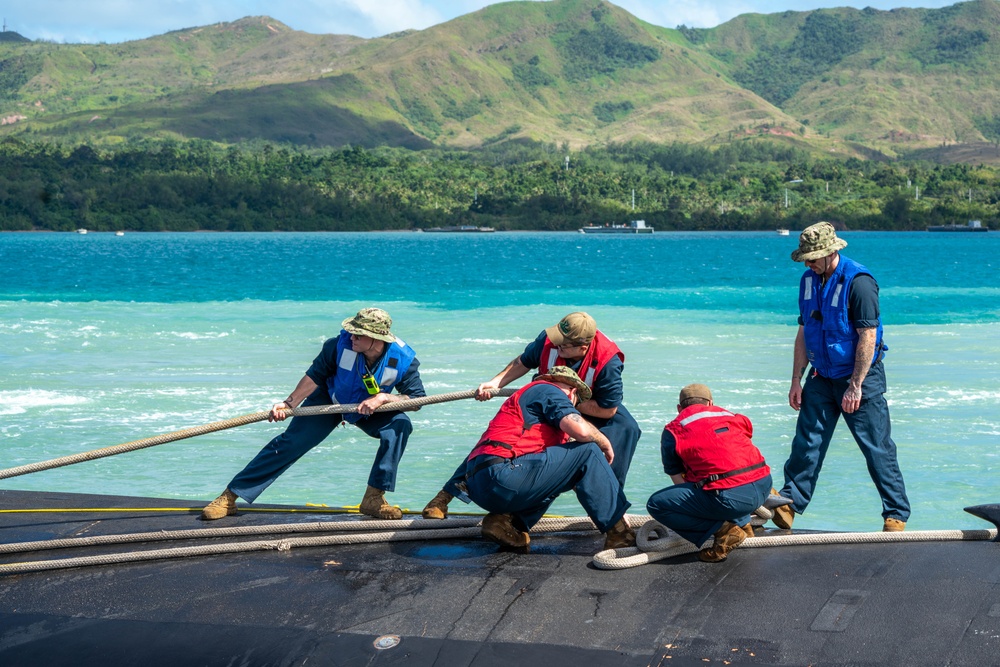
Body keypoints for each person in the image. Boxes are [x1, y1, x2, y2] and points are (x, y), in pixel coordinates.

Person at [201, 307, 425, 521]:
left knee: (399, 425)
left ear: (376, 339)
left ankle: (374, 498)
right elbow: (315, 376)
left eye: (358, 334)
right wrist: (288, 404)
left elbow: (416, 399)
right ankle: (229, 497)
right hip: (329, 398)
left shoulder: (404, 360)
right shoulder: (337, 345)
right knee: (291, 442)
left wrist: (384, 398)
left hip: (368, 406)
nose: (351, 336)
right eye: (352, 332)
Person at [421, 311, 641, 520]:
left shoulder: (608, 360)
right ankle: (444, 496)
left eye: (563, 344)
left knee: (627, 428)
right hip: (549, 398)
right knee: (502, 437)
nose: (555, 343)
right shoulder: (550, 338)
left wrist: (569, 403)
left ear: (582, 348)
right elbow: (522, 362)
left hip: (589, 403)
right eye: (557, 337)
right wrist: (495, 383)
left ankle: (613, 505)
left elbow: (608, 409)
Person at [774, 222, 910, 532]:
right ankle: (789, 504)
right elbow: (804, 331)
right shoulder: (808, 281)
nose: (808, 264)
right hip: (821, 376)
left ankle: (896, 514)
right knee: (806, 444)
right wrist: (797, 378)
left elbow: (868, 336)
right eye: (805, 259)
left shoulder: (859, 282)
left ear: (831, 252)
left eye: (812, 258)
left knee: (876, 447)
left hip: (860, 378)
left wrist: (856, 385)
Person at [462, 366, 634, 552]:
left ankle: (505, 523)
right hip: (503, 476)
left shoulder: (523, 410)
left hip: (480, 485)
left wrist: (443, 498)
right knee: (589, 450)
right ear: (573, 392)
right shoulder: (549, 390)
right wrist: (604, 441)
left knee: (562, 472)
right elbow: (582, 431)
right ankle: (619, 533)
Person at [646, 384, 772, 563]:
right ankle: (745, 525)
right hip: (764, 485)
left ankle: (725, 532)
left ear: (679, 408)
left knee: (657, 504)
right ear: (711, 403)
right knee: (724, 473)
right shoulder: (732, 416)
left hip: (732, 499)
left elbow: (677, 477)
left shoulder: (673, 430)